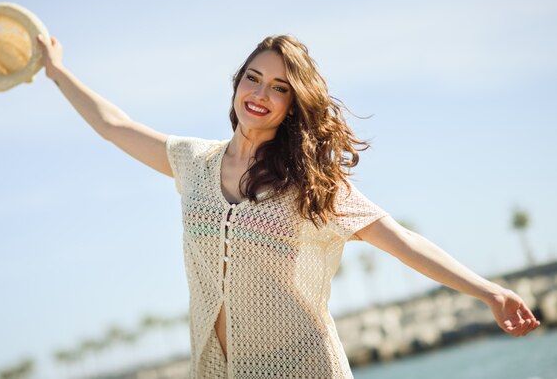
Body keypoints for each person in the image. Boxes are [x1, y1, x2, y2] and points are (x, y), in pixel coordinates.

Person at [36, 33, 540, 378]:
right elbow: (112, 125)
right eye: (253, 78)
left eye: (279, 88)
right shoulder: (193, 162)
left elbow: (401, 241)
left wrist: (490, 292)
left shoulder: (309, 184)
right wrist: (57, 72)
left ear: (293, 104)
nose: (260, 94)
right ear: (237, 83)